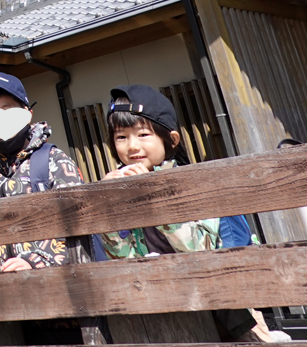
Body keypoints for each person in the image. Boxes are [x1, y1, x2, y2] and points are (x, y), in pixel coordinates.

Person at [99, 84, 289, 343]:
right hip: (160, 303)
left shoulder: (195, 184)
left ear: (171, 139)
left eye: (143, 134)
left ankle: (259, 337)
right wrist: (109, 208)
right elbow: (122, 258)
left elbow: (201, 251)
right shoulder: (120, 187)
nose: (132, 146)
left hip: (217, 301)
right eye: (121, 137)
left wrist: (154, 199)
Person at [0, 71, 85, 273]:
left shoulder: (53, 160)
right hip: (6, 288)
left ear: (27, 113)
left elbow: (77, 218)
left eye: (7, 110)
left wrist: (35, 260)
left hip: (57, 283)